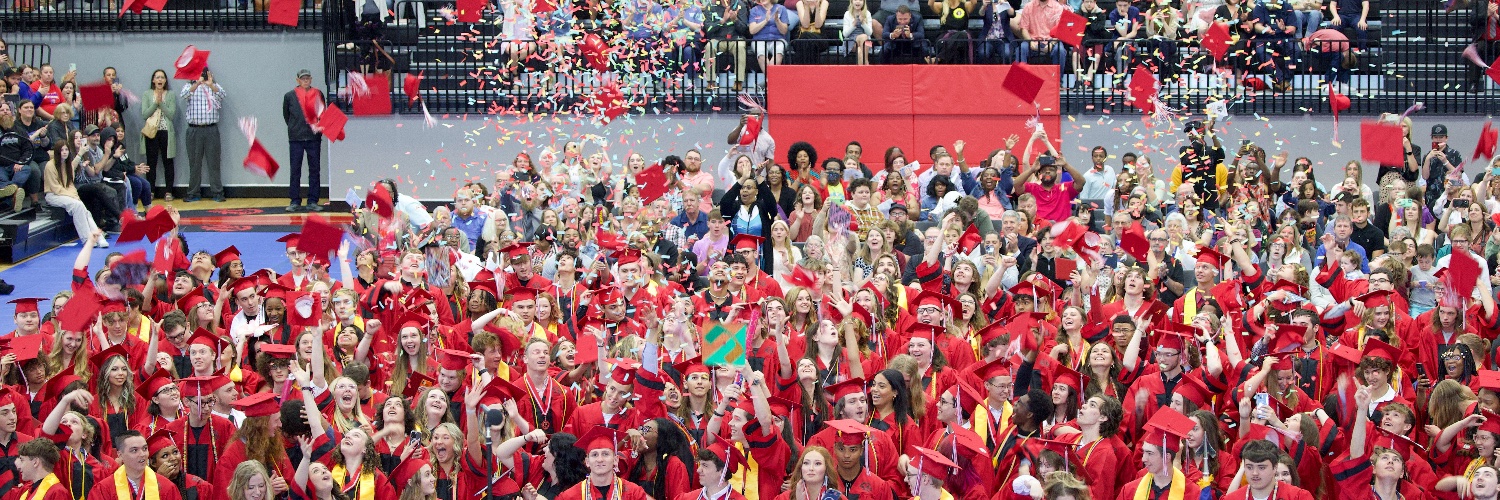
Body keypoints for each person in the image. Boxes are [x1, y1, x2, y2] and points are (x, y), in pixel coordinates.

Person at [179, 68, 225, 203]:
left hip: (211, 129)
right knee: (194, 163)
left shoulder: (214, 86)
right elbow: (184, 95)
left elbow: (222, 95)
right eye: (199, 73)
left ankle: (217, 192)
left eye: (204, 73)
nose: (202, 75)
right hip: (194, 130)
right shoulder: (189, 86)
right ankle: (193, 192)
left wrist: (211, 84)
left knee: (214, 162)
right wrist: (197, 83)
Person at [283, 69, 324, 213]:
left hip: (313, 137)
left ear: (311, 79)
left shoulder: (318, 94)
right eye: (303, 78)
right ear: (298, 80)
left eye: (307, 78)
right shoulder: (289, 96)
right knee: (295, 170)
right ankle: (295, 201)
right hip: (296, 138)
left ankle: (312, 201)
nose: (305, 80)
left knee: (315, 170)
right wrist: (295, 127)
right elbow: (287, 115)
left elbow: (322, 113)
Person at [141, 69, 177, 202]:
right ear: (153, 80)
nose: (160, 80)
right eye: (157, 77)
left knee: (168, 162)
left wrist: (161, 102)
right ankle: (150, 190)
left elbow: (171, 115)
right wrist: (156, 102)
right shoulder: (147, 94)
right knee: (151, 162)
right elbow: (145, 114)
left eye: (162, 77)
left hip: (166, 131)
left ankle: (169, 191)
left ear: (165, 80)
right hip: (152, 132)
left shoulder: (171, 94)